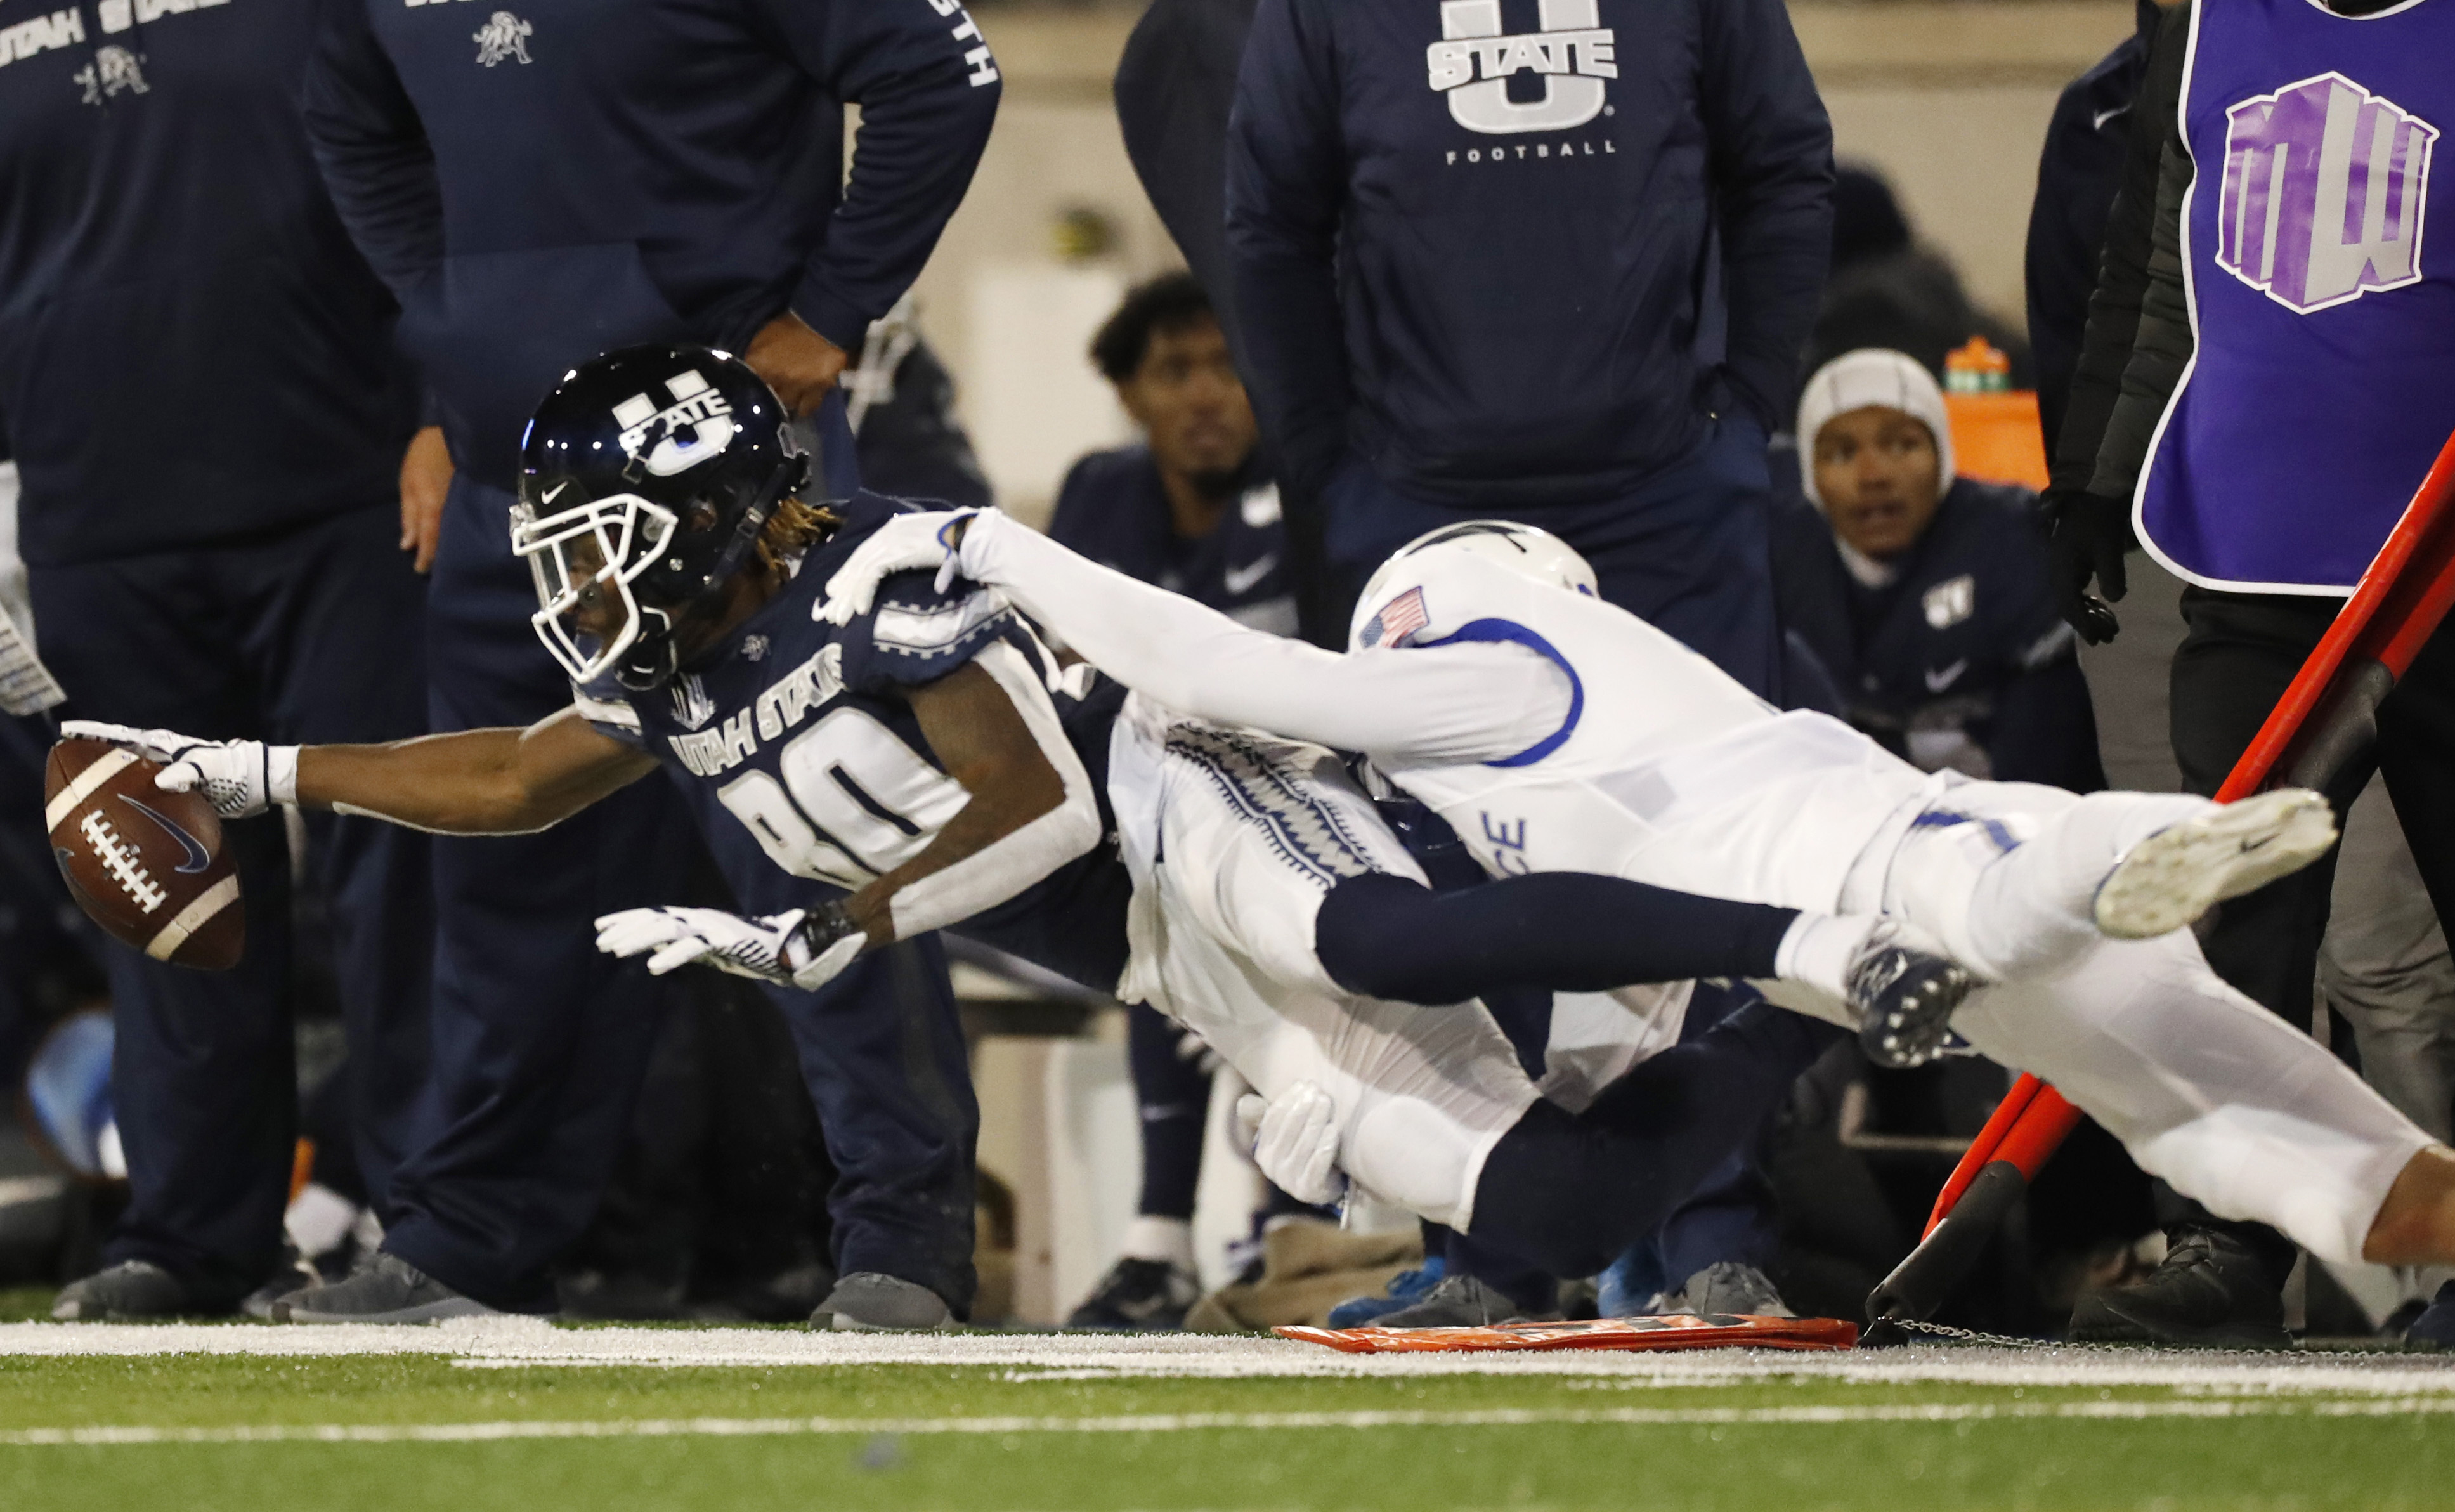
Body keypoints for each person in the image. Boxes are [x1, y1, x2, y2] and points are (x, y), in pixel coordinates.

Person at [74, 346, 2002, 1302]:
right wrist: (247, 771)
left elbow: (1036, 792)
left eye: (598, 539)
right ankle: (1816, 1011)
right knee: (1561, 1212)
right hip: (1156, 950)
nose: (574, 580)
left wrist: (853, 921)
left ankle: (1793, 930)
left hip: (1188, 794)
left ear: (712, 503)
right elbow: (504, 773)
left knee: (1371, 938)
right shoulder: (683, 656)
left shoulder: (872, 574)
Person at [819, 506, 2455, 1284]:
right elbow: (1601, 1039)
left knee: (2006, 905)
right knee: (2261, 1136)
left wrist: (993, 543)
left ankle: (2135, 851)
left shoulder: (1495, 668)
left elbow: (1222, 660)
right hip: (1854, 919)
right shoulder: (1530, 749)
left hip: (1870, 876)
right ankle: (2149, 901)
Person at [287, 0, 1001, 1325]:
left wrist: (833, 308)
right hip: (519, 482)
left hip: (722, 462)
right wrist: (456, 339)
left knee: (820, 845)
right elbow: (348, 114)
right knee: (505, 888)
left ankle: (900, 1248)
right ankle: (469, 1243)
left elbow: (941, 73)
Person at [0, 0, 438, 1320]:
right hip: (94, 516)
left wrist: (448, 410)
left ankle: (440, 1228)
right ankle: (198, 1236)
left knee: (401, 871)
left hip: (352, 495)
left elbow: (446, 186)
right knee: (160, 891)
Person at [2046, 0, 2455, 1345]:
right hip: (2250, 542)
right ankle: (2231, 1252)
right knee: (2239, 933)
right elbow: (2155, 273)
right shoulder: (2206, 22)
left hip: (2439, 566)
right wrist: (2093, 484)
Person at [1224, 0, 1832, 693]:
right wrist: (1326, 463)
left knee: (1710, 795)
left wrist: (1749, 408)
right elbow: (1271, 226)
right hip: (1421, 510)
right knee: (1434, 805)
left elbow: (1784, 170)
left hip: (1667, 508)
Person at [1050, 272, 1298, 1327]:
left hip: (1311, 802)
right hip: (1149, 810)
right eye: (1175, 370)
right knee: (1150, 896)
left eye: (1227, 366)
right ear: (1129, 393)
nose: (1206, 394)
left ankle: (1288, 1220)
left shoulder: (1307, 485)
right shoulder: (1098, 495)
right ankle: (1164, 1236)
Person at [1775, 350, 2102, 792]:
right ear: (1809, 474)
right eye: (1842, 452)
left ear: (1943, 455)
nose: (1873, 475)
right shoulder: (1778, 552)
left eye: (1902, 445)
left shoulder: (2012, 539)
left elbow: (2048, 757)